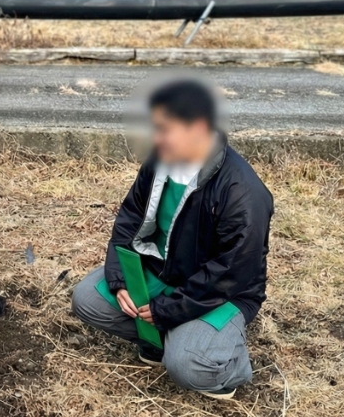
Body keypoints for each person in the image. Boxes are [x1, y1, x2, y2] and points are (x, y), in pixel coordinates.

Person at [72, 79, 273, 399]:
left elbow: (229, 275)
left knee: (187, 366)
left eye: (165, 128)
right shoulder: (159, 162)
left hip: (219, 293)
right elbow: (129, 218)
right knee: (87, 299)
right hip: (162, 270)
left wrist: (168, 309)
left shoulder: (242, 194)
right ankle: (160, 339)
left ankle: (227, 365)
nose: (156, 137)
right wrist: (120, 278)